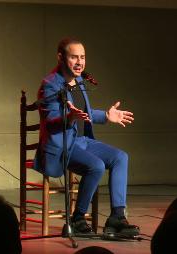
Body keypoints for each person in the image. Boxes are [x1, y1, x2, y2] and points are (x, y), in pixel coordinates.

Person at [34, 37, 139, 236]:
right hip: (62, 144)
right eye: (74, 57)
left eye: (82, 57)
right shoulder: (50, 84)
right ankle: (78, 218)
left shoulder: (80, 81)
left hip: (83, 141)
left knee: (120, 157)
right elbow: (50, 121)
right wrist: (70, 117)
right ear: (61, 58)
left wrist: (106, 116)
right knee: (97, 165)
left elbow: (84, 113)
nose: (80, 62)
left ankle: (117, 217)